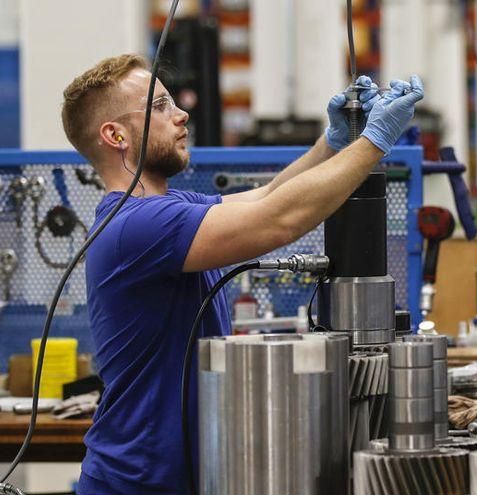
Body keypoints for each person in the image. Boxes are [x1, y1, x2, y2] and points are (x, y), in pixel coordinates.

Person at [60, 54, 423, 493]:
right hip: (135, 483)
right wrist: (374, 141)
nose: (182, 114)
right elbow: (278, 220)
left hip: (172, 478)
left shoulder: (170, 209)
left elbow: (269, 196)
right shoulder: (135, 227)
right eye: (158, 107)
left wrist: (332, 143)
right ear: (115, 134)